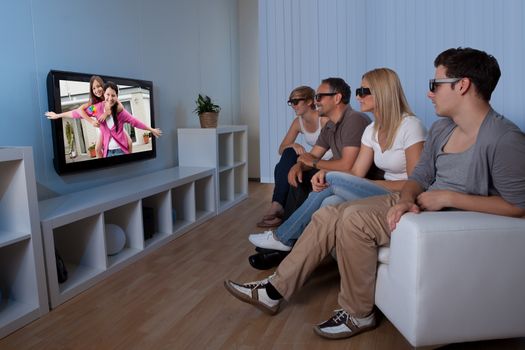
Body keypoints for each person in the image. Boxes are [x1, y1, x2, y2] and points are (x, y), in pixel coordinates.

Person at [224, 47, 525, 340]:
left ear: (462, 85)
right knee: (330, 209)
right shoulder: (442, 128)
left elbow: (517, 206)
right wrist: (407, 198)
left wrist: (449, 198)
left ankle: (358, 313)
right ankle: (273, 291)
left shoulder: (503, 138)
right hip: (421, 200)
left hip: (447, 213)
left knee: (352, 216)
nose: (429, 93)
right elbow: (419, 176)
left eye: (436, 84)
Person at [249, 68, 427, 254]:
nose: (358, 97)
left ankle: (282, 237)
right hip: (378, 188)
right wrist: (314, 169)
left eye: (363, 92)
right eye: (358, 92)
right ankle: (296, 251)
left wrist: (331, 174)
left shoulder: (410, 126)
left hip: (401, 195)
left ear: (383, 92)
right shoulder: (372, 129)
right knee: (329, 203)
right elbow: (356, 172)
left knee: (330, 179)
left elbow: (415, 183)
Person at [281, 77, 372, 221]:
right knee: (300, 175)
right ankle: (288, 228)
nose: (316, 101)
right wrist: (298, 165)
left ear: (337, 98)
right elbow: (311, 156)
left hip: (359, 182)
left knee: (317, 180)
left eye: (319, 97)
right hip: (341, 175)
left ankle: (286, 234)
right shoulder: (330, 126)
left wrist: (314, 163)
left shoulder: (355, 119)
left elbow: (347, 165)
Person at [257, 86, 331, 228]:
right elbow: (281, 149)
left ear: (310, 101)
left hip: (326, 161)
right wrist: (293, 145)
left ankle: (279, 208)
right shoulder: (298, 122)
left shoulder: (324, 119)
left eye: (296, 101)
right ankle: (277, 205)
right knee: (289, 152)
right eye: (291, 102)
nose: (293, 105)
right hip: (313, 157)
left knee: (280, 168)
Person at [45, 75, 133, 157]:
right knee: (97, 149)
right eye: (93, 88)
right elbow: (78, 111)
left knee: (129, 142)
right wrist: (58, 115)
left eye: (98, 86)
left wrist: (106, 113)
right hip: (103, 128)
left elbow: (120, 106)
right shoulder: (94, 105)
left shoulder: (110, 95)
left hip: (116, 126)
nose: (97, 90)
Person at [78, 81, 162, 157]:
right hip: (107, 153)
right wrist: (91, 121)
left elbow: (135, 122)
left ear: (117, 97)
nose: (110, 98)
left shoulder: (121, 112)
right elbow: (80, 112)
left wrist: (151, 130)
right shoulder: (96, 107)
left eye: (113, 95)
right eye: (107, 94)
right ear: (103, 94)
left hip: (121, 151)